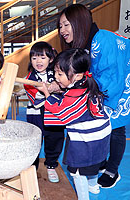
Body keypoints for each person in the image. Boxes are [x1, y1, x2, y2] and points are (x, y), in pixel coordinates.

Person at [57, 3, 130, 188]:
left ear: (79, 22)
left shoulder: (101, 38)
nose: (62, 30)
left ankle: (113, 170)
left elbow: (110, 76)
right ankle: (102, 161)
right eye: (60, 26)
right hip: (102, 86)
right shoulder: (81, 44)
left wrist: (80, 88)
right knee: (98, 121)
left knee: (115, 125)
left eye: (66, 24)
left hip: (120, 82)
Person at [38, 48, 111, 200]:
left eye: (60, 74)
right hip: (102, 134)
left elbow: (61, 113)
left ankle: (84, 197)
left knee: (77, 171)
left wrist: (46, 93)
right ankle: (93, 186)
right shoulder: (89, 83)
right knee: (95, 162)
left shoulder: (74, 94)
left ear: (77, 75)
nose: (56, 77)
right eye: (56, 73)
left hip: (87, 139)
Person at [23, 41, 64, 183]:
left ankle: (51, 165)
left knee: (55, 139)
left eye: (42, 57)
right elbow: (36, 100)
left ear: (51, 59)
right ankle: (32, 167)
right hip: (36, 115)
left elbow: (63, 91)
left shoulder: (58, 75)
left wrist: (57, 87)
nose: (38, 61)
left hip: (54, 115)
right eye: (34, 58)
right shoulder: (29, 79)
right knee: (34, 141)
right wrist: (48, 91)